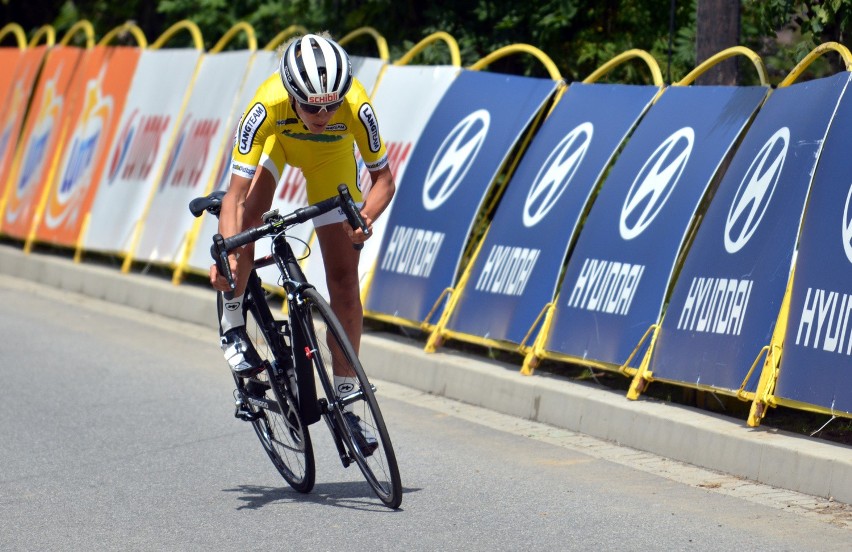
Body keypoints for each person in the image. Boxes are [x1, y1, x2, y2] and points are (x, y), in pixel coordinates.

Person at [209, 33, 395, 446]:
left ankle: (347, 402)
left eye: (331, 105)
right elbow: (234, 198)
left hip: (332, 160)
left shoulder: (357, 105)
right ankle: (234, 322)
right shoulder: (266, 105)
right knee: (249, 219)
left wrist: (364, 217)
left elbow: (384, 181)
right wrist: (229, 255)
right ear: (292, 93)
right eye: (312, 105)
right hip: (280, 145)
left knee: (345, 284)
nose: (323, 114)